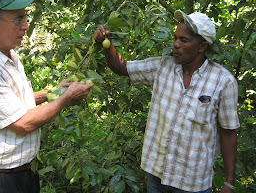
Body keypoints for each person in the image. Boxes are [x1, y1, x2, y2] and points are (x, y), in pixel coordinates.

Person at [0, 0, 93, 193]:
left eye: (25, 19)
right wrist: (66, 98)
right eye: (18, 20)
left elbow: (13, 104)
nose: (26, 26)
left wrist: (51, 94)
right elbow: (22, 123)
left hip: (21, 174)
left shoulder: (8, 56)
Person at [93, 10, 239, 193]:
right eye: (175, 38)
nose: (176, 44)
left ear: (202, 46)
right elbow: (122, 67)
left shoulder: (223, 82)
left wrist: (229, 181)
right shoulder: (163, 67)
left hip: (193, 182)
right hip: (158, 175)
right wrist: (107, 44)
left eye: (184, 40)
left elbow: (228, 132)